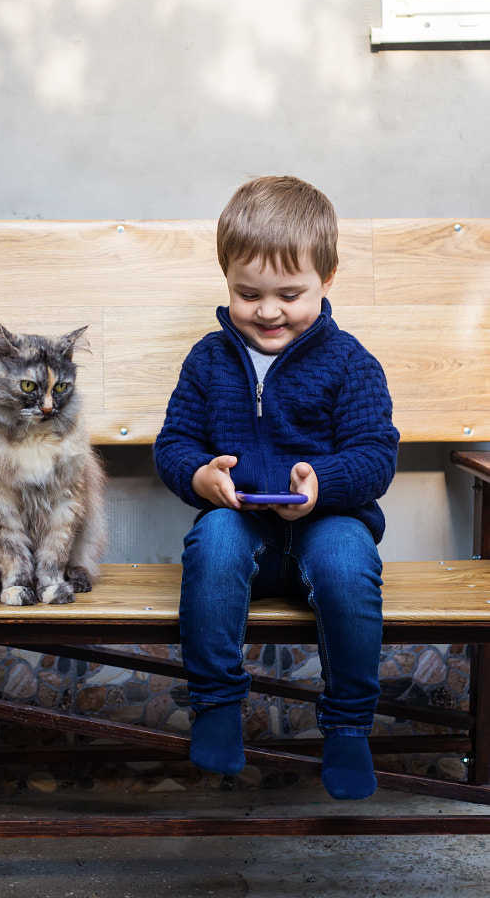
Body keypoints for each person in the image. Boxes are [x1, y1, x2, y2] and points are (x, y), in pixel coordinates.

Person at [154, 175, 399, 801]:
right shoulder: (209, 360)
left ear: (328, 279)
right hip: (245, 527)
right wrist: (202, 476)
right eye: (248, 293)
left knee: (349, 566)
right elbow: (174, 444)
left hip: (327, 521)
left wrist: (326, 482)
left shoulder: (350, 362)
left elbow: (376, 454)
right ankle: (215, 704)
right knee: (211, 545)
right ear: (227, 280)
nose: (268, 311)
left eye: (290, 294)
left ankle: (347, 725)